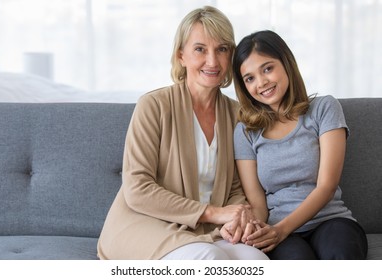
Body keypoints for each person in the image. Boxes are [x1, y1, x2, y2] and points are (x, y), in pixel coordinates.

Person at [97, 6, 268, 260]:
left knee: (257, 261)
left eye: (222, 49)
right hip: (146, 224)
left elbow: (234, 185)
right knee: (210, 259)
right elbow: (138, 188)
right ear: (181, 56)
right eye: (200, 49)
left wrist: (237, 218)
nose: (212, 61)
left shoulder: (236, 114)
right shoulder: (153, 106)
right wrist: (213, 213)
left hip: (207, 229)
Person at [231, 30, 368, 260]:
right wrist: (250, 227)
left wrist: (280, 230)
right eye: (250, 78)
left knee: (341, 254)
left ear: (286, 63)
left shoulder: (324, 108)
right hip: (280, 232)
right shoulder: (245, 132)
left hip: (330, 220)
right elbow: (258, 203)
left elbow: (326, 186)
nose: (262, 82)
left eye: (267, 68)